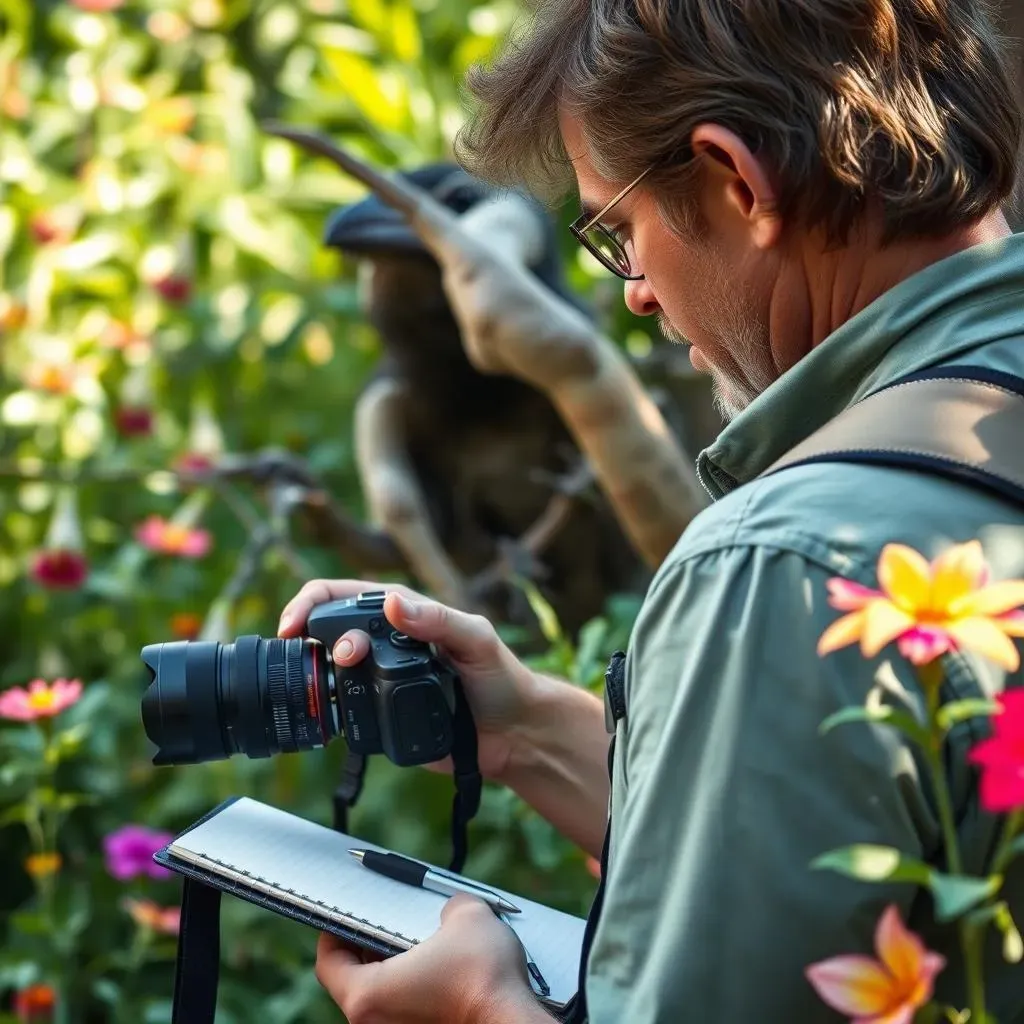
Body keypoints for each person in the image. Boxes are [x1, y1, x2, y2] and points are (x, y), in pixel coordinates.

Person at [278, 0, 1024, 1020]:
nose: (632, 291)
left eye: (618, 229)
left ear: (736, 182)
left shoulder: (783, 570)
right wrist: (529, 729)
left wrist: (481, 1009)